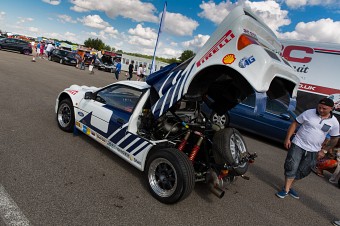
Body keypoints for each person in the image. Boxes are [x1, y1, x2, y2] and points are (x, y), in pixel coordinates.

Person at [276, 97, 339, 199]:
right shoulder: (309, 113)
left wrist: (324, 150)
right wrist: (288, 138)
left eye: (324, 108)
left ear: (331, 109)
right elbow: (294, 124)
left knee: (304, 170)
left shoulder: (334, 122)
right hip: (298, 144)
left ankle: (290, 186)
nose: (321, 110)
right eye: (319, 107)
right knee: (291, 165)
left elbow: (335, 138)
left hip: (314, 150)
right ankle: (286, 189)